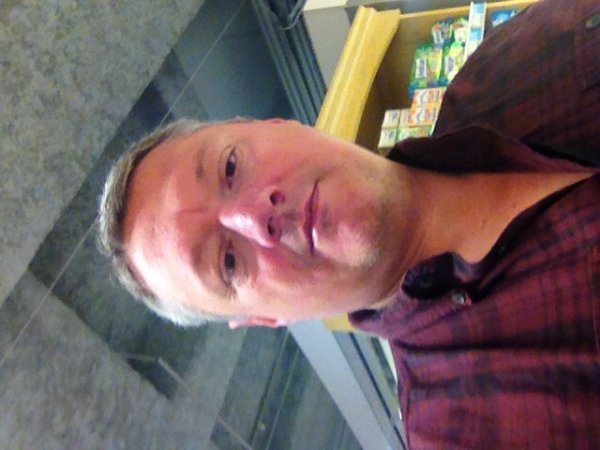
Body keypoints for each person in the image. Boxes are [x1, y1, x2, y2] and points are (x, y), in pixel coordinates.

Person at [98, 0, 600, 447]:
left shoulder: (513, 57)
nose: (256, 216)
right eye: (228, 262)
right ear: (267, 319)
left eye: (231, 167)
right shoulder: (469, 432)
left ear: (272, 125)